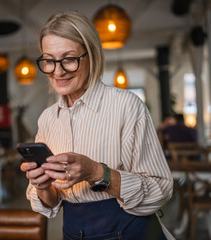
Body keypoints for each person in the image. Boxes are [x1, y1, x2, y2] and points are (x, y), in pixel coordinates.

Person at [20, 11, 174, 240]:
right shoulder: (48, 118)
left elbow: (161, 190)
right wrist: (42, 186)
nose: (58, 71)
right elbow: (52, 203)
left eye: (69, 59)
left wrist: (96, 172)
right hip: (73, 232)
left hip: (131, 231)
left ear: (90, 56)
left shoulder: (126, 106)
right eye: (49, 60)